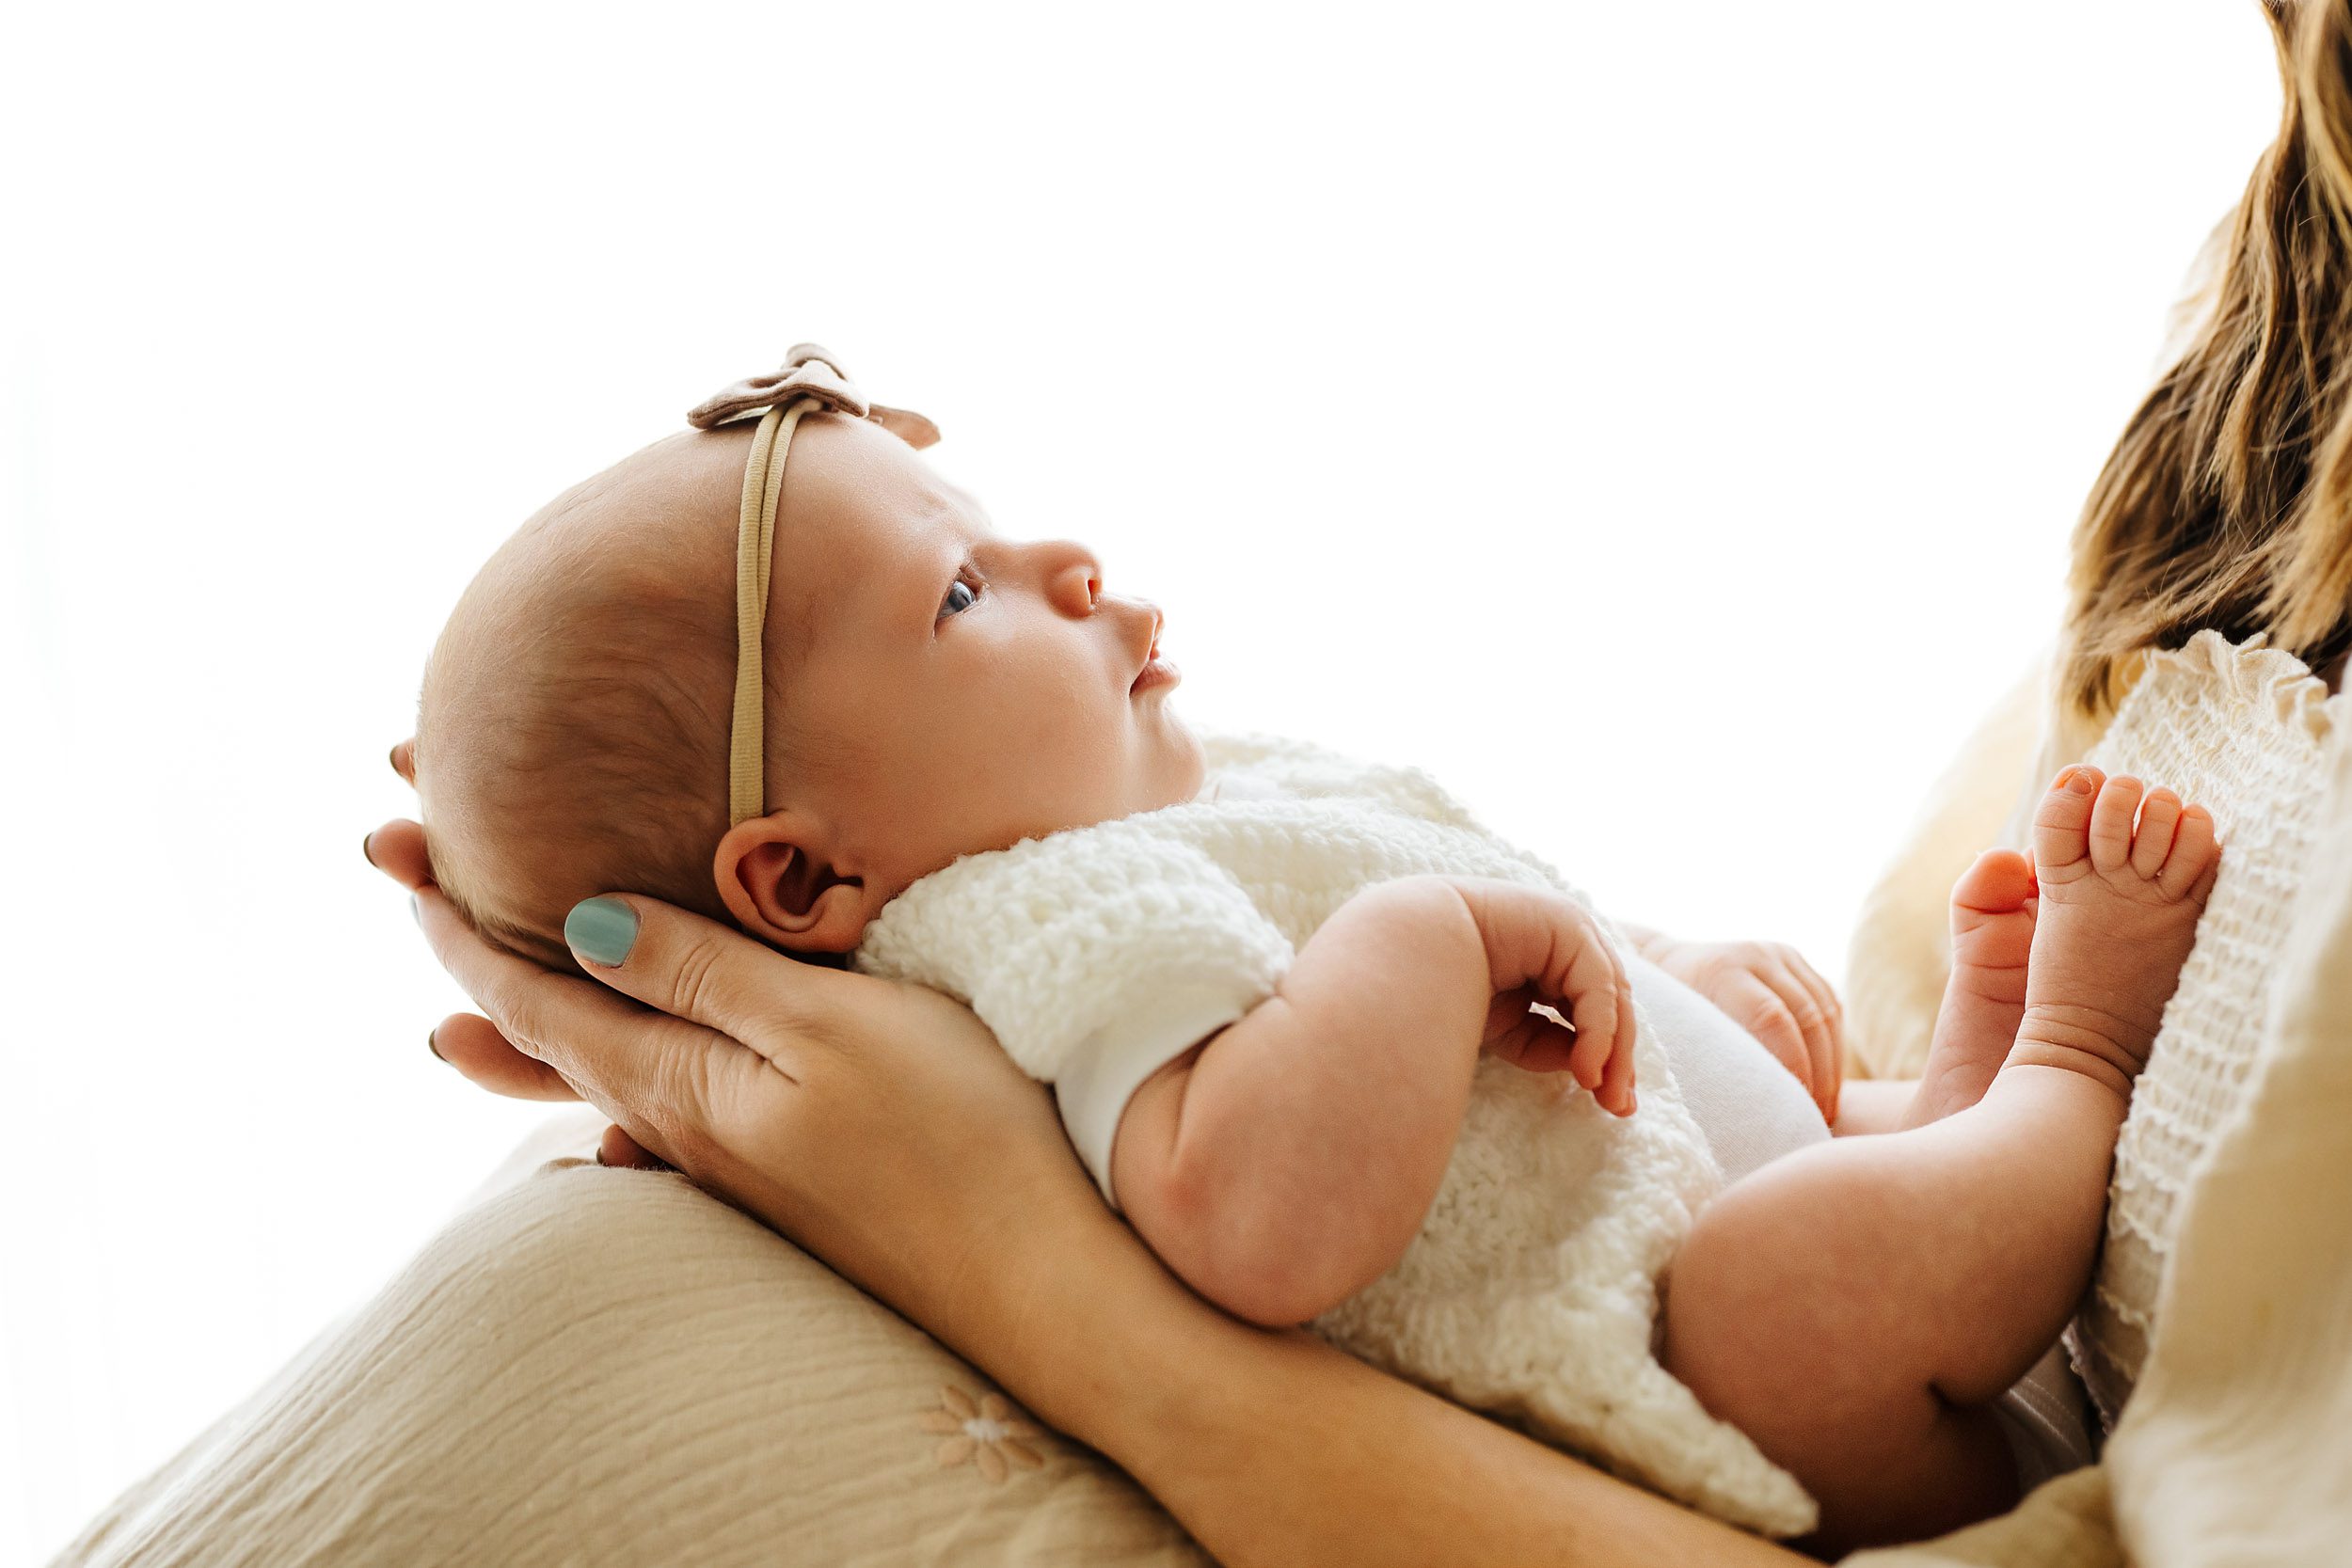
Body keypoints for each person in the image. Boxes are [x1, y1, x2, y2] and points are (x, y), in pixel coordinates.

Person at [369, 4, 2352, 1557]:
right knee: (1782, 1287)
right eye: (957, 591)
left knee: (1815, 1179)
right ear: (803, 885)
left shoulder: (1176, 816)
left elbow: (1464, 922)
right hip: (1720, 1408)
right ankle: (2066, 1066)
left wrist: (1656, 973)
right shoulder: (1044, 928)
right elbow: (1254, 1220)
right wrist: (1426, 939)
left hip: (1680, 1216)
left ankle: (1955, 1097)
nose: (1064, 564)